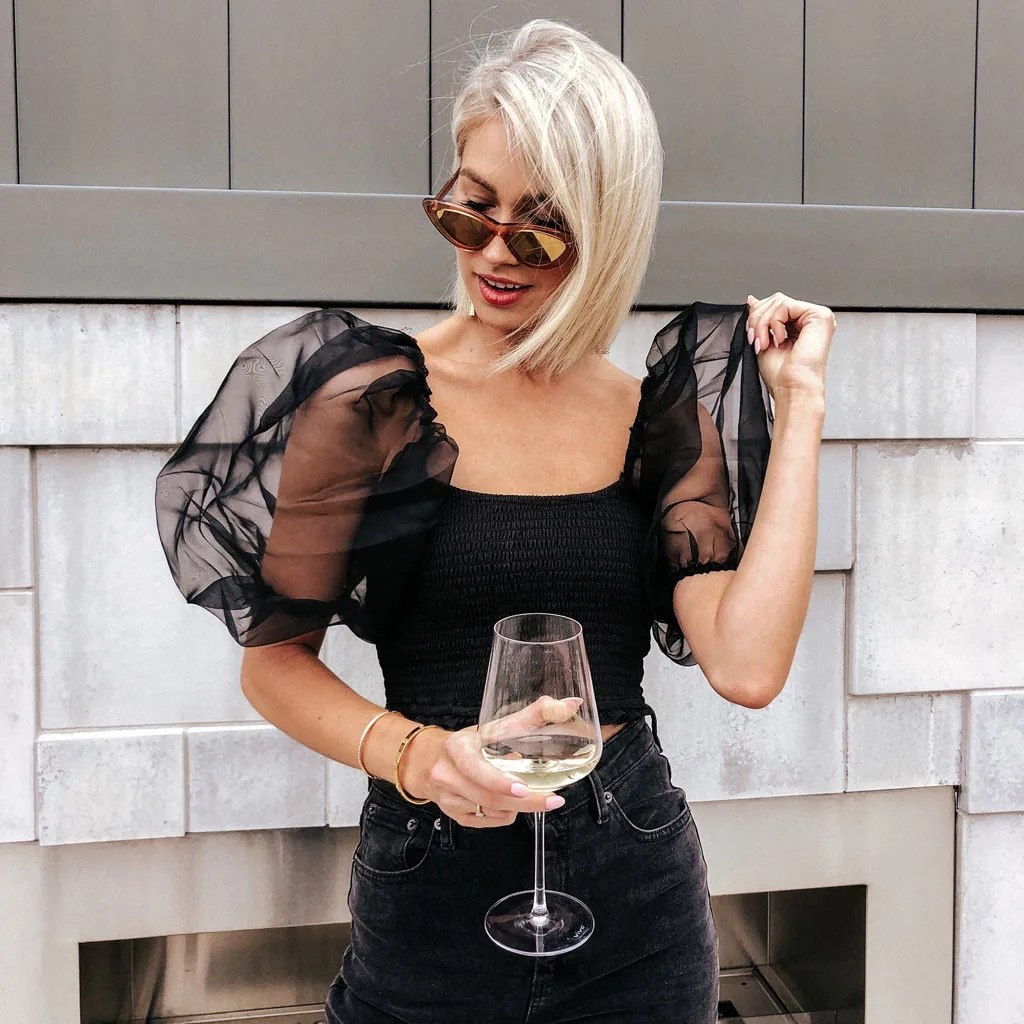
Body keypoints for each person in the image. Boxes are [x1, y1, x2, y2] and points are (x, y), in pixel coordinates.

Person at [155, 18, 834, 1024]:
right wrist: (419, 757)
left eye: (540, 229)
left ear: (604, 232)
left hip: (633, 881)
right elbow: (273, 666)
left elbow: (748, 666)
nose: (496, 253)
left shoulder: (655, 417)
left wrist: (802, 405)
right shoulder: (372, 401)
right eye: (471, 213)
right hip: (432, 879)